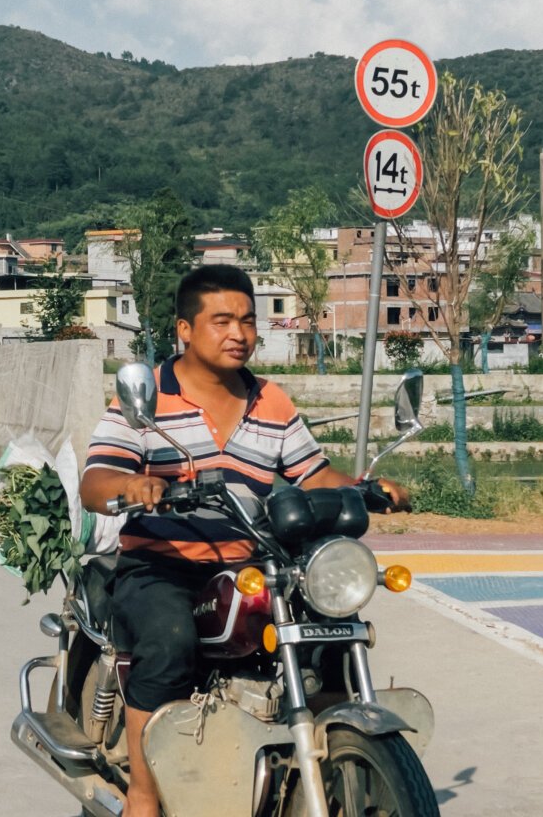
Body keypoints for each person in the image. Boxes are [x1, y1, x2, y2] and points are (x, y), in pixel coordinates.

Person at [79, 264, 410, 817]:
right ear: (185, 329)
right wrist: (134, 483)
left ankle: (330, 762)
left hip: (251, 561)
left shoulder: (271, 400)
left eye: (249, 321)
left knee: (325, 638)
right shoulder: (147, 400)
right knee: (169, 642)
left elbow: (313, 474)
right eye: (223, 321)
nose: (240, 333)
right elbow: (96, 482)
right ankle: (143, 788)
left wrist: (366, 488)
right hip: (162, 564)